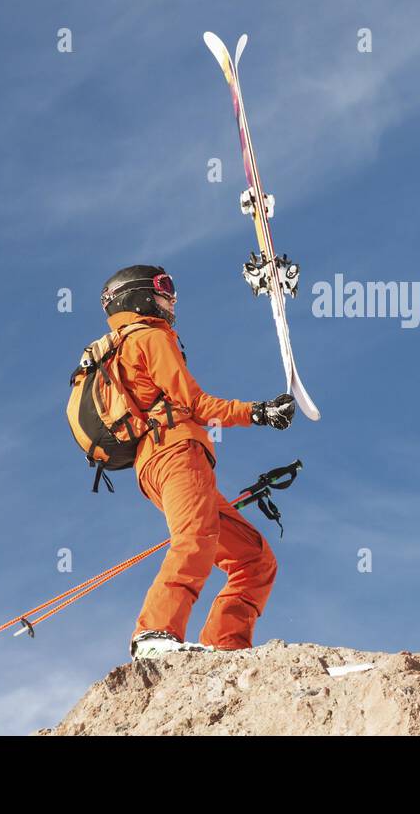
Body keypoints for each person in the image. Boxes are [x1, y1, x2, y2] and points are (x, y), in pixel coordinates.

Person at [98, 264, 296, 659]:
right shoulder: (150, 337)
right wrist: (257, 412)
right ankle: (154, 632)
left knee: (254, 560)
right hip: (173, 452)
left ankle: (226, 646)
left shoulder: (128, 345)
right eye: (162, 289)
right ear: (135, 298)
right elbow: (195, 403)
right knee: (195, 539)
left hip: (163, 460)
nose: (171, 298)